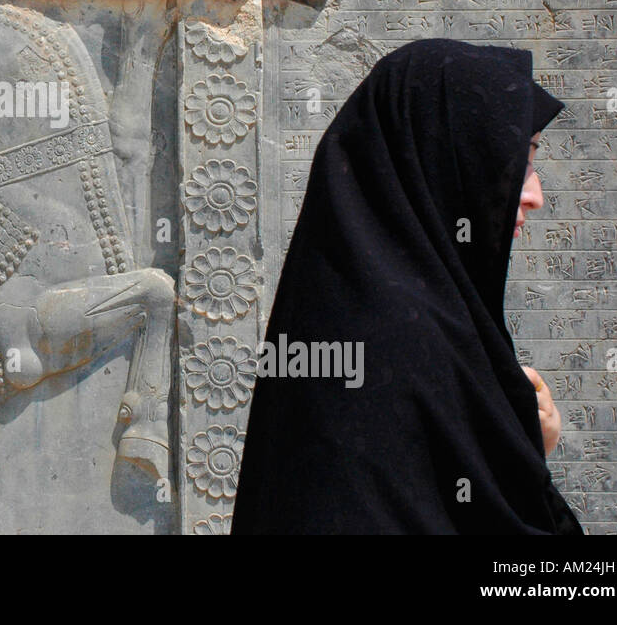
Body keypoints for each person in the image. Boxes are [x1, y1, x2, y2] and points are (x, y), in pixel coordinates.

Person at [231, 38, 583, 534]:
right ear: (449, 157)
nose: (535, 196)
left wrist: (519, 448)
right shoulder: (396, 348)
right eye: (517, 159)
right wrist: (522, 452)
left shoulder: (364, 312)